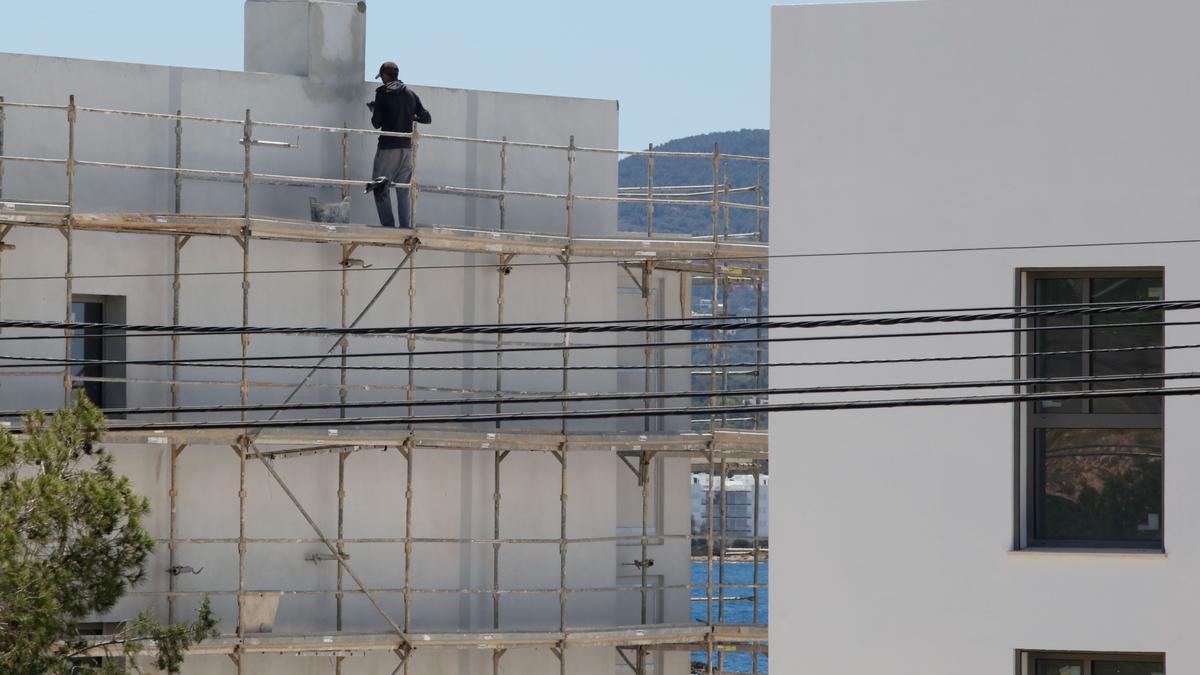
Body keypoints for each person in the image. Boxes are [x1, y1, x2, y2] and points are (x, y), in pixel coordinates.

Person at [367, 61, 432, 228]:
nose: (381, 80)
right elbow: (427, 118)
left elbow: (376, 123)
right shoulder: (410, 94)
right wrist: (411, 117)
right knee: (403, 189)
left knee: (379, 185)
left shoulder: (382, 94)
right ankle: (405, 226)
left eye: (381, 76)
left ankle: (388, 225)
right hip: (406, 149)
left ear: (385, 75)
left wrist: (375, 109)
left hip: (388, 147)